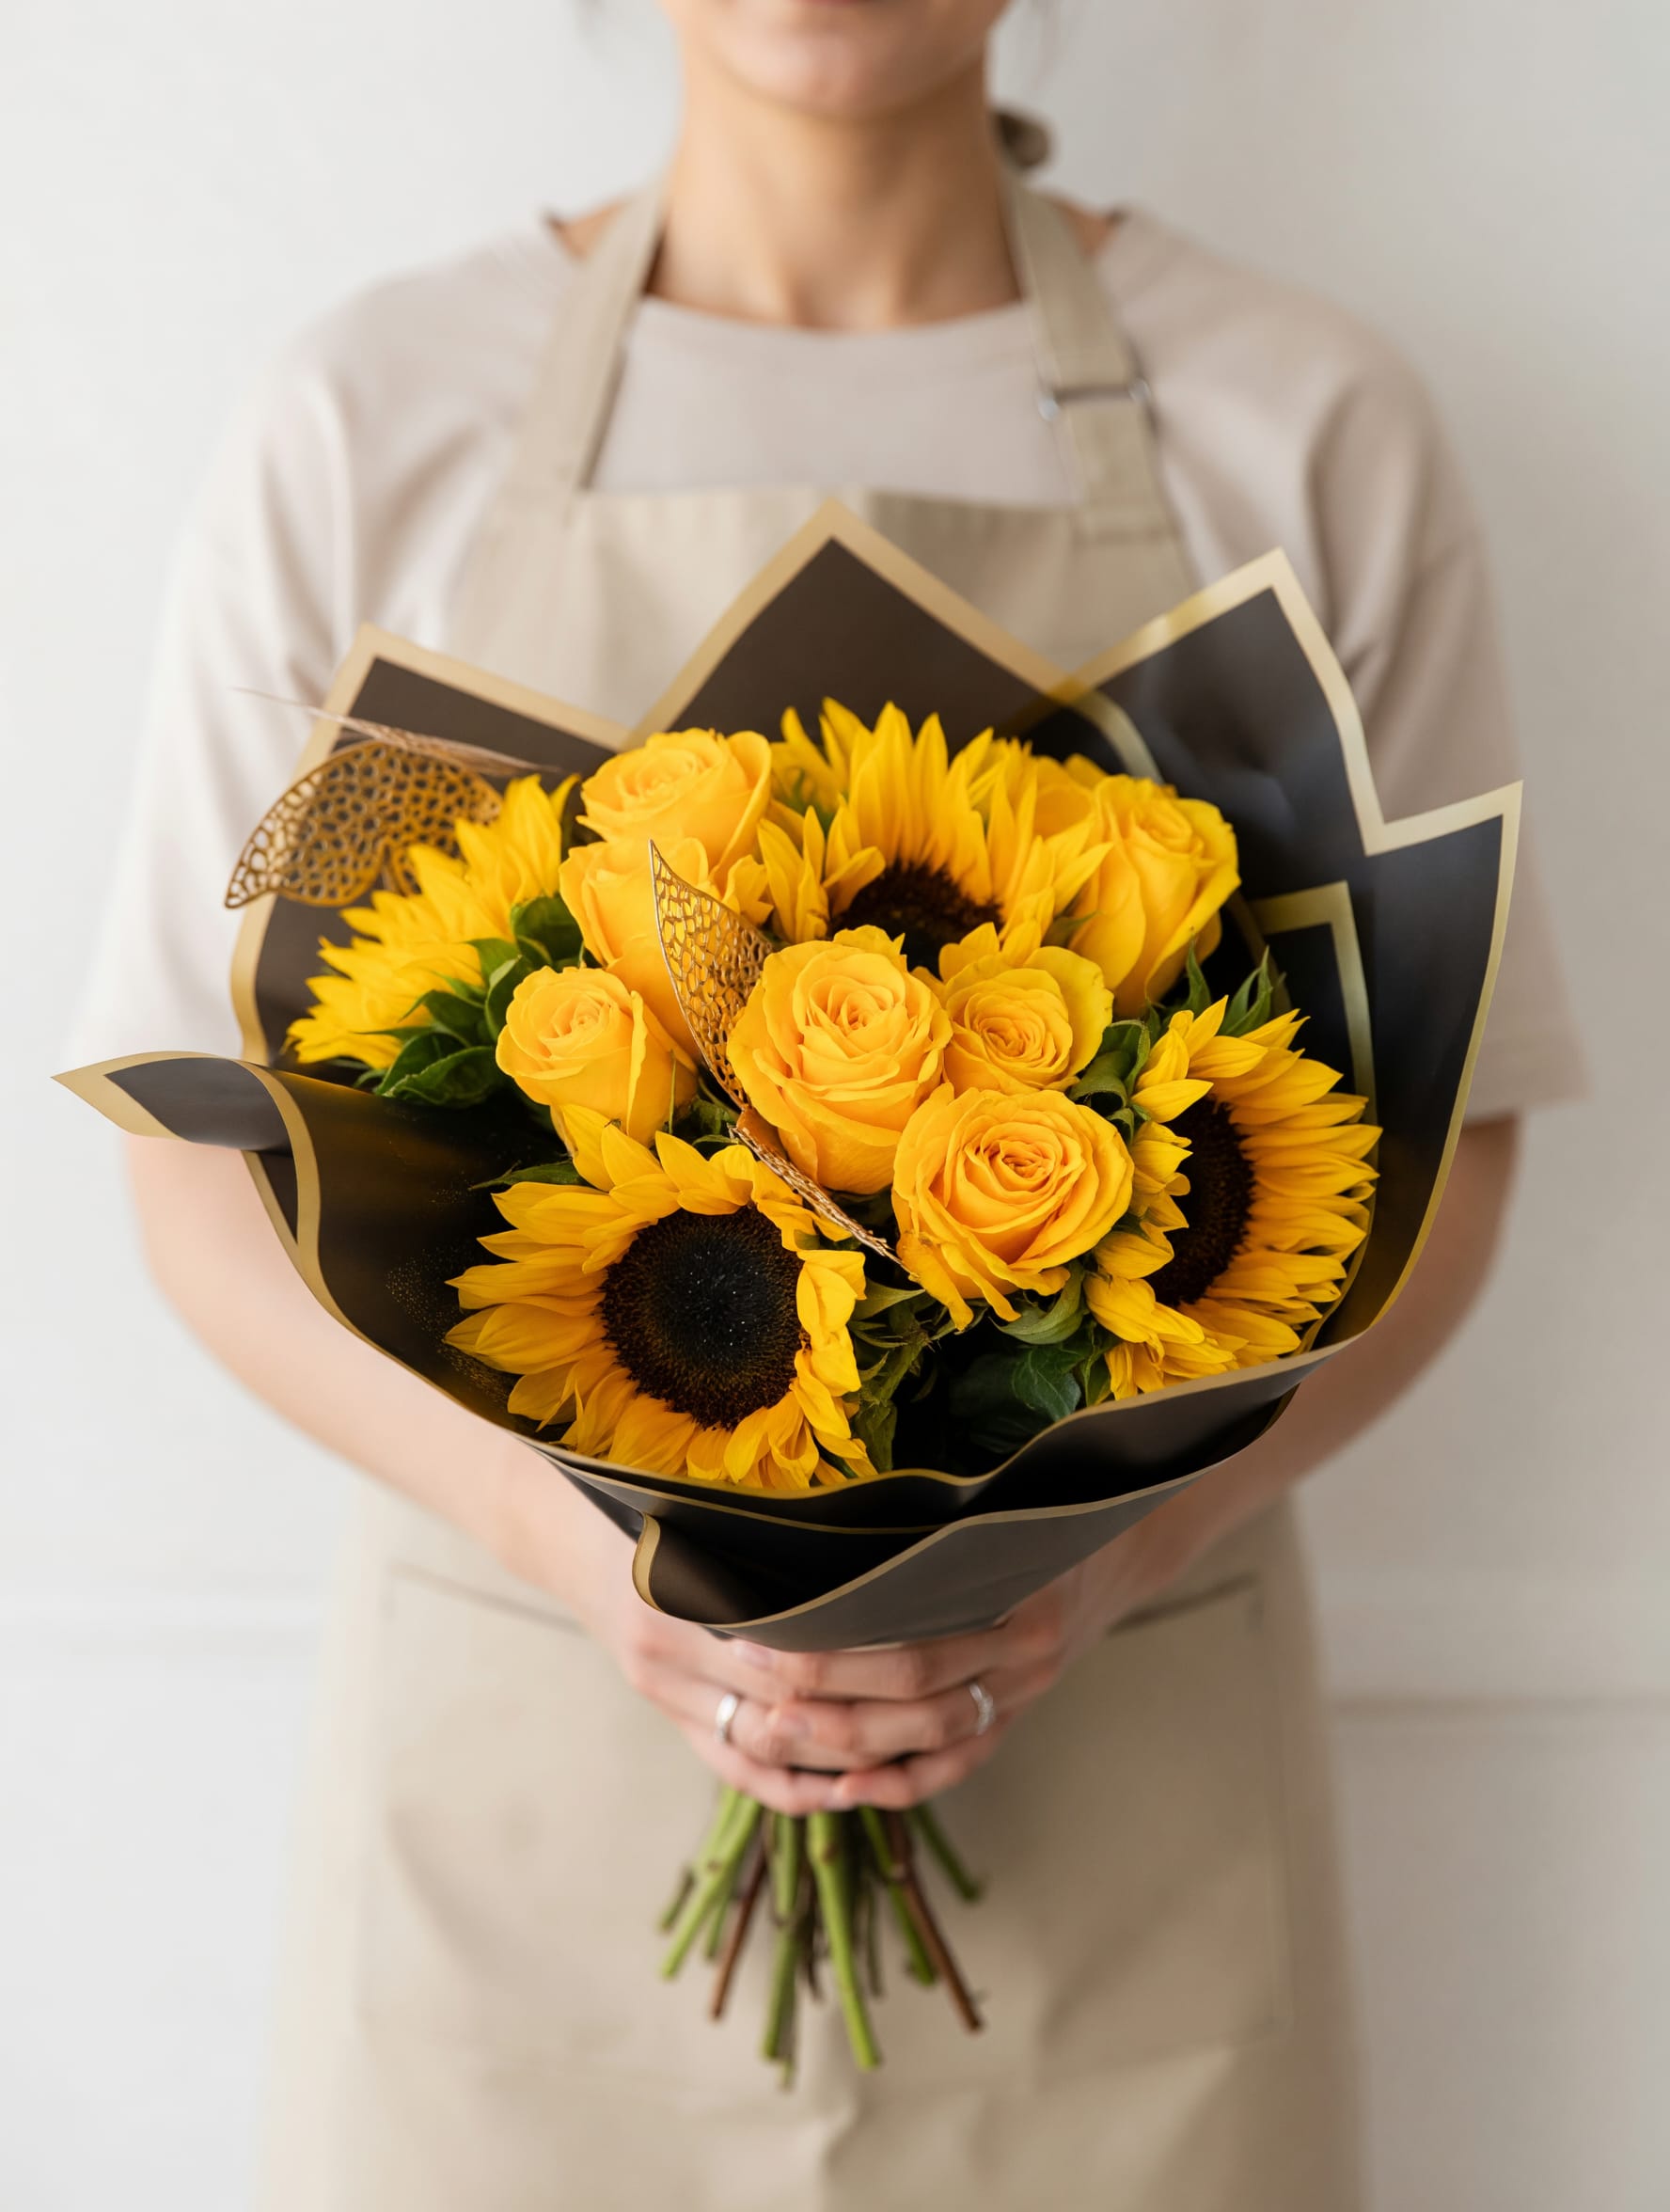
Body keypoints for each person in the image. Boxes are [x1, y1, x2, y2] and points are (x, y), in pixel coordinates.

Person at [72, 2, 1577, 2204]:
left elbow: (1449, 1154)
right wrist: (597, 1574)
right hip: (520, 1863)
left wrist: (1112, 1549)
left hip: (1130, 1820)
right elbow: (208, 1165)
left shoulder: (1306, 426)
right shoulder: (370, 423)